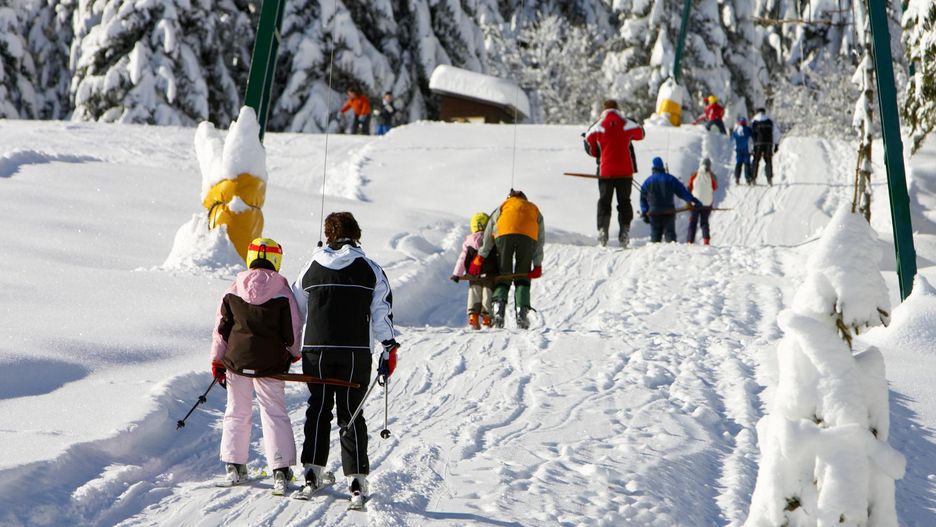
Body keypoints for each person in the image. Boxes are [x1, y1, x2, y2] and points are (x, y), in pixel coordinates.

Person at [290, 212, 399, 504]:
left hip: (316, 350)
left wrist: (294, 345)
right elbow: (381, 313)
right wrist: (389, 347)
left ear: (328, 235)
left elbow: (296, 309)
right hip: (355, 352)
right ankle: (356, 482)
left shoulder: (310, 267)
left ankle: (312, 473)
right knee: (350, 414)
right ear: (357, 233)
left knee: (319, 409)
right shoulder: (370, 269)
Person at [210, 237, 303, 495]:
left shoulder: (233, 288)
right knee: (273, 412)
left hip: (236, 362)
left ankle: (234, 467)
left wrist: (217, 360)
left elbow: (221, 330)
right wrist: (293, 354)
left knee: (236, 411)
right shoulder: (283, 292)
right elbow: (293, 333)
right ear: (276, 260)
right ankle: (280, 471)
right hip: (271, 365)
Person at [468, 190, 545, 329]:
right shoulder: (533, 208)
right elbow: (540, 239)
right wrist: (537, 264)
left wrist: (481, 256)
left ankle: (498, 310)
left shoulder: (504, 206)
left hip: (503, 235)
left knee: (503, 275)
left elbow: (489, 231)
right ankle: (521, 313)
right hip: (527, 237)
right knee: (523, 276)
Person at [584, 99, 646, 247]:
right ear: (617, 109)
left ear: (603, 110)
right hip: (625, 172)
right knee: (624, 202)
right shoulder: (625, 123)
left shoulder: (599, 125)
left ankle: (602, 231)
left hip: (606, 173)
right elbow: (641, 134)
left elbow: (589, 143)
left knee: (604, 202)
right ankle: (624, 231)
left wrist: (599, 152)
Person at [639, 157, 704, 243]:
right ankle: (672, 253)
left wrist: (644, 211)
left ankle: (654, 254)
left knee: (655, 236)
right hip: (669, 211)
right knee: (670, 235)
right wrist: (693, 200)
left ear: (653, 168)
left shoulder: (648, 181)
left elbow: (642, 198)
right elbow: (682, 192)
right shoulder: (670, 179)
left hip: (654, 212)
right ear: (663, 167)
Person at [450, 212, 497, 330]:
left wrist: (457, 274)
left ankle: (473, 317)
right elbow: (498, 257)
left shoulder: (468, 241)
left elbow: (462, 258)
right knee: (488, 295)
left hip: (473, 275)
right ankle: (487, 319)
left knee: (474, 294)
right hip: (489, 275)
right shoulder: (492, 240)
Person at [687, 158, 718, 245]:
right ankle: (706, 241)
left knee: (693, 222)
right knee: (704, 222)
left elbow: (689, 187)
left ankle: (690, 241)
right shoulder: (712, 176)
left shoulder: (694, 174)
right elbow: (715, 188)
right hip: (707, 204)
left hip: (695, 203)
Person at [751, 108, 781, 186]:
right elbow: (776, 133)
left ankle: (753, 178)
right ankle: (769, 179)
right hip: (768, 143)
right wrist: (776, 145)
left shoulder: (754, 121)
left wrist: (751, 146)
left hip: (758, 144)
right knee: (768, 160)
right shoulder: (770, 121)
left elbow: (751, 134)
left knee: (756, 160)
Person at [731, 116, 753, 185]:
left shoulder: (736, 130)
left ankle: (737, 178)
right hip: (746, 150)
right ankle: (748, 178)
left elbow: (732, 139)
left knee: (738, 164)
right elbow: (752, 136)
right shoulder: (748, 129)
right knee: (747, 164)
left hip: (738, 150)